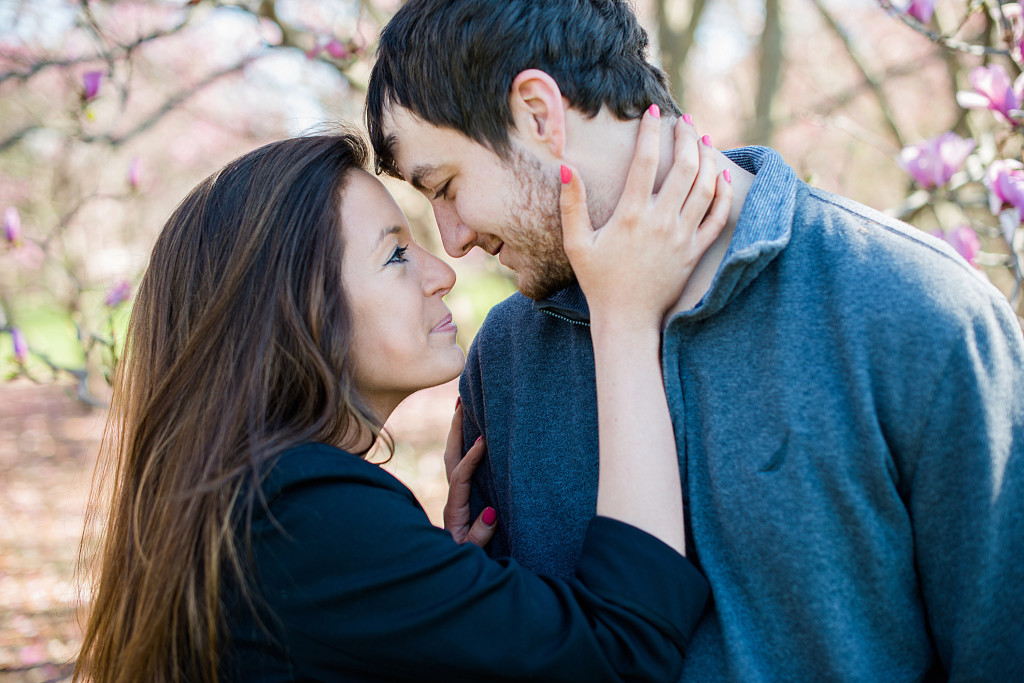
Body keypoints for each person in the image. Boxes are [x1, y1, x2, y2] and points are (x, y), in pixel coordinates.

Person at [364, 0, 1024, 680]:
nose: (452, 239)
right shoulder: (505, 358)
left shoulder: (917, 311)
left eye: (445, 186)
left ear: (538, 114)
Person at [73, 121, 733, 682]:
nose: (442, 271)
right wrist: (625, 313)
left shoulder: (253, 500)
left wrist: (439, 592)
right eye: (395, 254)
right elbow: (617, 651)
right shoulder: (297, 510)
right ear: (298, 307)